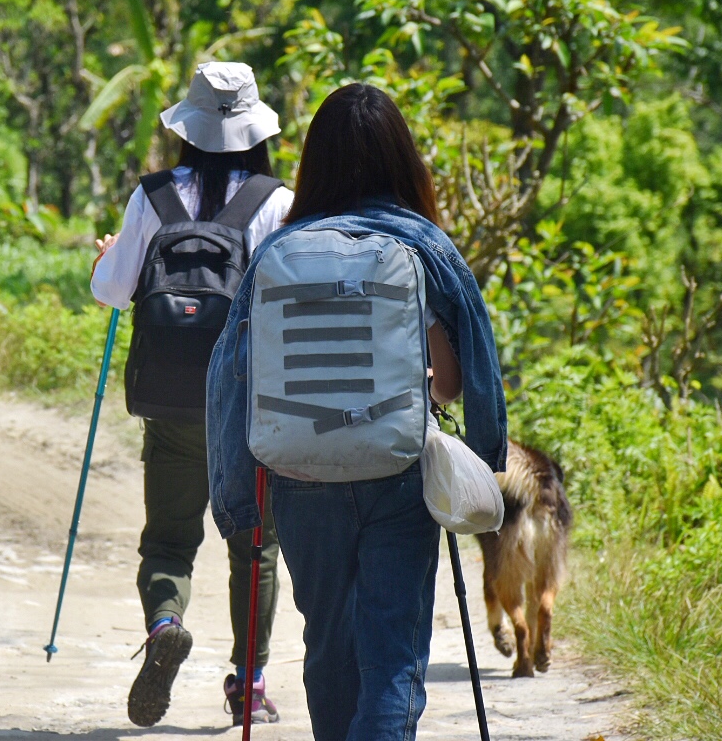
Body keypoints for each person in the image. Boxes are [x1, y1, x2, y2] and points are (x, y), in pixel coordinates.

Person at [205, 82, 506, 741]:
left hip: (300, 481)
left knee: (330, 653)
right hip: (395, 474)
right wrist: (487, 470)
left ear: (315, 164)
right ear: (403, 160)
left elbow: (229, 379)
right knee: (393, 656)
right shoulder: (424, 246)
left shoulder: (278, 254)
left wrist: (236, 502)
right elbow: (462, 379)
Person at [91, 62, 294, 728]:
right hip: (245, 402)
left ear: (188, 127)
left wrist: (108, 254)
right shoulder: (277, 203)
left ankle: (165, 624)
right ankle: (250, 683)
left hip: (171, 398)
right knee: (253, 547)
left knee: (170, 540)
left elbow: (113, 292)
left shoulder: (152, 197)